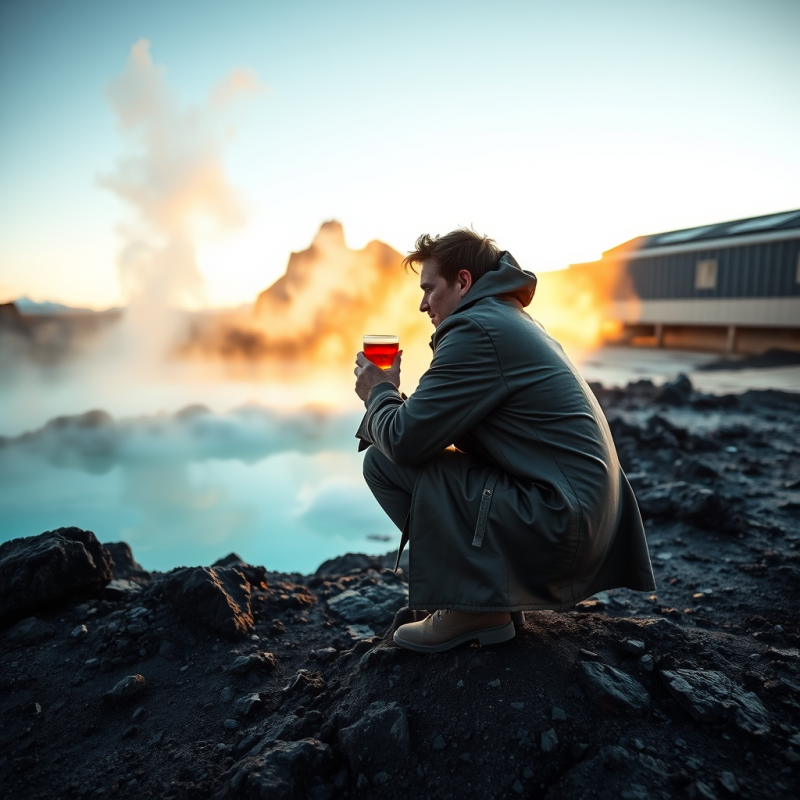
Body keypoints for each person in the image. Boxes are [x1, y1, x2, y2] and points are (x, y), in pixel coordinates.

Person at [353, 229, 654, 653]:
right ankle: (488, 602)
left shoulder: (476, 331)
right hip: (583, 520)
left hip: (561, 526)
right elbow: (426, 428)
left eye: (429, 289)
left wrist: (378, 393)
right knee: (407, 456)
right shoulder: (505, 318)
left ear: (462, 281)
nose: (423, 304)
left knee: (384, 465)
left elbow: (403, 443)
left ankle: (472, 610)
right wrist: (393, 403)